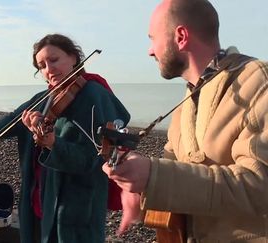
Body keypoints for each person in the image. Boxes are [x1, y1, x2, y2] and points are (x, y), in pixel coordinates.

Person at [103, 0, 268, 242]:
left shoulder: (258, 83)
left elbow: (260, 186)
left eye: (152, 38)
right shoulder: (187, 102)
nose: (150, 50)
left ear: (180, 36)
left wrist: (153, 176)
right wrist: (139, 189)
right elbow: (176, 168)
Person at [0, 33, 131, 243]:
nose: (48, 69)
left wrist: (53, 143)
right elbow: (14, 117)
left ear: (74, 58)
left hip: (75, 207)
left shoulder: (95, 95)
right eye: (42, 65)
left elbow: (93, 159)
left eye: (54, 60)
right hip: (40, 200)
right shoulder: (47, 96)